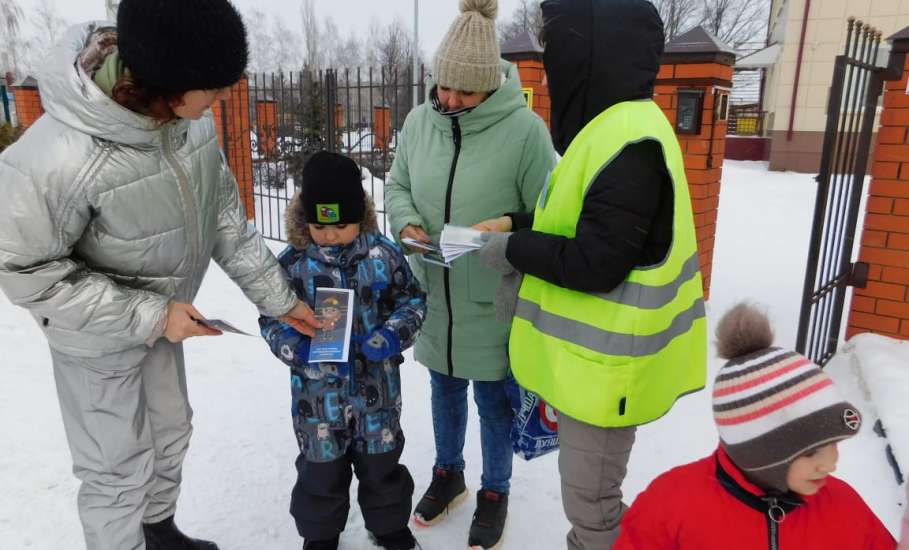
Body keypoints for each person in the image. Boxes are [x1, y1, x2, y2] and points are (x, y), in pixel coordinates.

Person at [0, 2, 320, 549]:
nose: (222, 100)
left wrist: (280, 299)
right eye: (214, 89)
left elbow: (225, 218)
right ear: (169, 84)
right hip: (95, 341)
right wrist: (152, 314)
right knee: (115, 470)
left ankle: (159, 532)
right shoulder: (55, 159)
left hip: (161, 322)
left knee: (170, 435)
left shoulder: (191, 125)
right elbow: (27, 272)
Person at [476, 0, 707, 548]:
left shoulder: (630, 143)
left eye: (561, 51)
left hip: (610, 375)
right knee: (588, 497)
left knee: (593, 505)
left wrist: (513, 248)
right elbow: (582, 222)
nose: (555, 70)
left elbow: (596, 261)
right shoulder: (614, 129)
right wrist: (517, 223)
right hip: (594, 369)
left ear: (591, 55)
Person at [384, 0, 555, 547]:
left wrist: (505, 224)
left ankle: (495, 489)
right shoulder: (418, 121)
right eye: (442, 86)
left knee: (493, 402)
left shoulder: (526, 132)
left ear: (488, 85)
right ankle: (448, 473)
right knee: (443, 389)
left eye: (463, 91)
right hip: (434, 292)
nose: (448, 100)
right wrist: (408, 222)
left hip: (492, 298)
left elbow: (548, 217)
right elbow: (397, 185)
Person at [612, 303, 895, 549]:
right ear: (761, 454)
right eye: (811, 452)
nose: (830, 463)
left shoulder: (844, 508)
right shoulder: (670, 505)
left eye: (833, 443)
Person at [259, 152, 427, 550]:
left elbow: (413, 302)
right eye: (319, 225)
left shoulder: (384, 256)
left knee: (382, 467)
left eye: (340, 225)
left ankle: (389, 527)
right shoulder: (293, 265)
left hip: (377, 396)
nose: (329, 235)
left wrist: (391, 334)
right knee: (320, 474)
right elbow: (271, 318)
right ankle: (320, 536)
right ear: (305, 219)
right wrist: (296, 346)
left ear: (361, 216)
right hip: (317, 401)